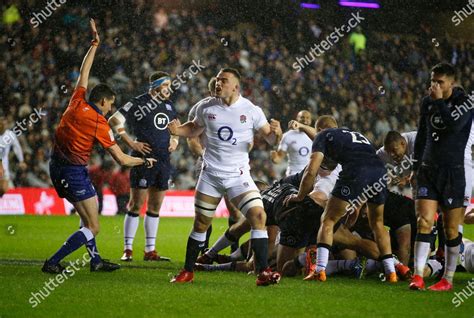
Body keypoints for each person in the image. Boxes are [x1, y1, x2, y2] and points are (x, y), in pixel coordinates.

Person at [42, 19, 156, 275]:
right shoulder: (99, 123)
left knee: (86, 218)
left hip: (58, 166)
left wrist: (94, 44)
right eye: (110, 105)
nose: (111, 109)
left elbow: (84, 72)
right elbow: (122, 160)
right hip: (72, 172)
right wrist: (143, 161)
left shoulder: (76, 100)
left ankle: (95, 261)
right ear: (103, 101)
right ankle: (53, 261)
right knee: (93, 226)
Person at [168, 67, 283, 286]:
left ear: (235, 86)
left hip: (238, 176)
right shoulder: (206, 106)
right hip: (211, 175)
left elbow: (270, 139)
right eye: (218, 80)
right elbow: (193, 128)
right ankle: (188, 271)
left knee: (258, 216)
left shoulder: (251, 110)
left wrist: (277, 133)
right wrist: (177, 130)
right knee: (201, 223)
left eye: (224, 80)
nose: (218, 83)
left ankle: (263, 272)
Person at [284, 115, 398, 283]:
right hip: (380, 172)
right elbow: (366, 162)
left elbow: (311, 171)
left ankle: (320, 270)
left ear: (320, 130)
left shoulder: (322, 136)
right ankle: (391, 272)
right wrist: (357, 203)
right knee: (378, 224)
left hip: (356, 172)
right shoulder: (354, 135)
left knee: (328, 220)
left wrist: (299, 196)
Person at [410, 63, 472, 291]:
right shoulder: (427, 102)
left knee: (451, 230)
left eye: (439, 82)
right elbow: (422, 135)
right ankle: (417, 275)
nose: (434, 86)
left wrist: (438, 101)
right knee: (423, 221)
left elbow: (453, 126)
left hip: (453, 172)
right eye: (432, 81)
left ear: (451, 83)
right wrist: (415, 167)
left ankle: (447, 279)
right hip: (428, 170)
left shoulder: (465, 102)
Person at [109, 71, 179, 262]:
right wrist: (130, 143)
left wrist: (175, 140)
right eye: (166, 85)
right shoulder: (139, 102)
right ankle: (128, 249)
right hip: (143, 159)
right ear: (156, 86)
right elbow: (114, 120)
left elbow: (176, 129)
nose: (169, 89)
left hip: (164, 161)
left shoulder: (170, 106)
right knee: (136, 204)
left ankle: (150, 250)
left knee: (155, 206)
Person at [187, 77, 243, 254]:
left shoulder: (236, 108)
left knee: (235, 211)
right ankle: (203, 250)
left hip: (231, 166)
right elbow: (192, 137)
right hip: (208, 164)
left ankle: (234, 252)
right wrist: (204, 155)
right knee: (206, 213)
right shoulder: (201, 108)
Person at [270, 110, 313, 176]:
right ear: (297, 119)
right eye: (302, 117)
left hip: (310, 173)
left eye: (307, 118)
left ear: (311, 120)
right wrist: (274, 158)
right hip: (293, 174)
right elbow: (279, 158)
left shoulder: (315, 135)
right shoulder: (287, 136)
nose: (305, 120)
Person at [0, 118, 27, 196]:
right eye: (1, 124)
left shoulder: (10, 135)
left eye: (4, 124)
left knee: (4, 188)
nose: (2, 126)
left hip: (4, 165)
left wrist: (21, 160)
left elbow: (17, 147)